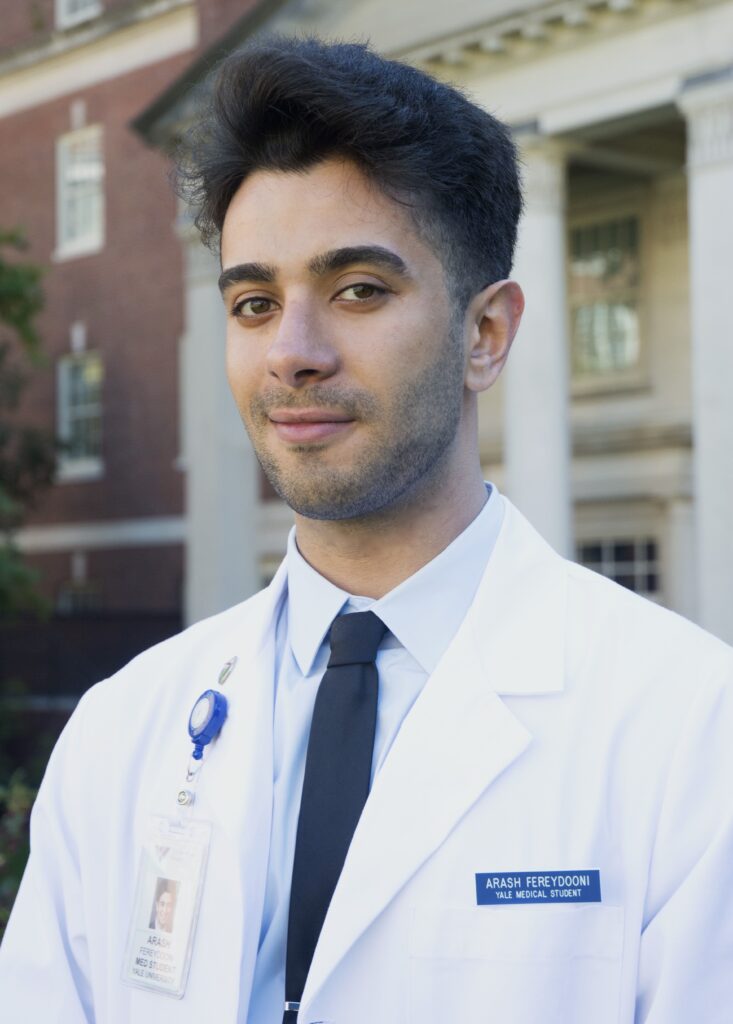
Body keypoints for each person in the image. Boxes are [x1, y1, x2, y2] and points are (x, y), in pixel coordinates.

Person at [1, 35, 732, 1024]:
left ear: (486, 334)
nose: (292, 353)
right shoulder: (122, 733)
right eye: (254, 303)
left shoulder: (691, 734)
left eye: (357, 291)